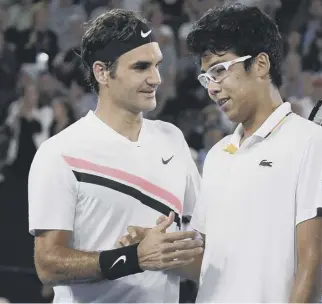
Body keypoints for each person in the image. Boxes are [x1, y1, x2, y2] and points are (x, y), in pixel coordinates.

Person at [121, 3, 322, 302]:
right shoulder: (217, 156)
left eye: (219, 70)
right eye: (206, 77)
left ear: (261, 65)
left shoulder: (310, 141)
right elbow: (208, 264)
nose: (212, 88)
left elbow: (313, 262)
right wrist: (160, 248)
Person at [28, 9, 203, 303]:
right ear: (102, 72)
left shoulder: (173, 139)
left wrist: (164, 250)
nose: (156, 78)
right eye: (141, 67)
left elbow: (200, 250)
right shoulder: (60, 152)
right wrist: (133, 257)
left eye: (157, 65)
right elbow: (48, 264)